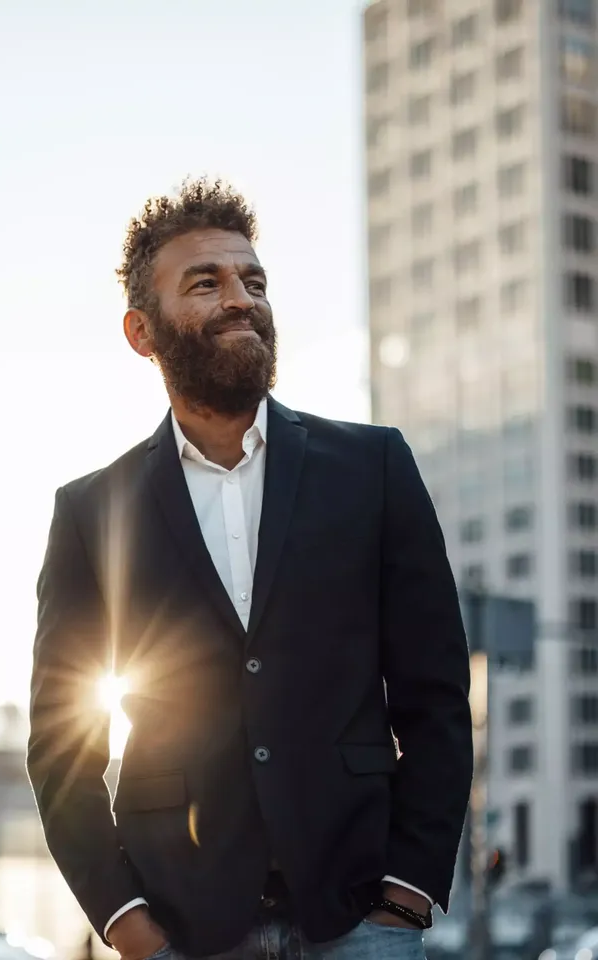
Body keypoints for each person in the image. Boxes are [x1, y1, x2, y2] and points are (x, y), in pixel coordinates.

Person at [26, 178, 473, 960]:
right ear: (143, 331)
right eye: (207, 282)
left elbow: (436, 698)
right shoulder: (92, 512)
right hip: (185, 928)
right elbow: (62, 747)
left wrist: (407, 895)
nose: (241, 298)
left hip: (360, 918)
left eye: (253, 280)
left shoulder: (373, 468)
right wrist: (127, 924)